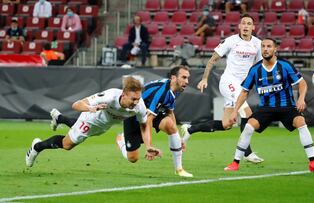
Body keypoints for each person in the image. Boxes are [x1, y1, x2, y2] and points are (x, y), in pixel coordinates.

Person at [224, 38, 314, 172]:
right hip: (266, 108)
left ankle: (313, 162)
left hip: (287, 107)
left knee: (301, 122)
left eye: (268, 46)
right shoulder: (255, 69)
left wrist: (301, 99)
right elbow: (244, 92)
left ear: (275, 49)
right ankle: (235, 163)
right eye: (263, 46)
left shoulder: (284, 65)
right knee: (249, 126)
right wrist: (234, 111)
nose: (265, 49)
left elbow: (302, 83)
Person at [181, 14, 264, 164]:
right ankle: (247, 152)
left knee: (226, 125)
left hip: (242, 86)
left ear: (253, 27)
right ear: (239, 26)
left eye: (249, 23)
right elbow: (213, 59)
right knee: (247, 113)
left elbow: (260, 66)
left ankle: (190, 129)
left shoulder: (258, 44)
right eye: (243, 23)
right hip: (228, 82)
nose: (245, 26)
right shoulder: (231, 41)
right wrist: (205, 78)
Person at [25, 77, 162, 168]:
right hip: (90, 120)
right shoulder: (109, 97)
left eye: (138, 98)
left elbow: (144, 125)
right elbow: (76, 104)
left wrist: (148, 145)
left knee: (77, 131)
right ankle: (37, 146)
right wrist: (90, 108)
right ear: (124, 94)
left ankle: (59, 118)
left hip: (103, 127)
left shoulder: (139, 106)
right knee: (67, 145)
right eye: (133, 99)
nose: (136, 102)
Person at [116, 66, 193, 177]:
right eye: (184, 77)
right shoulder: (161, 92)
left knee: (170, 125)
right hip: (134, 115)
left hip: (148, 113)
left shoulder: (173, 90)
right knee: (133, 158)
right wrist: (149, 147)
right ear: (174, 78)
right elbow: (148, 120)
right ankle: (121, 139)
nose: (187, 81)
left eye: (187, 78)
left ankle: (179, 169)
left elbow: (170, 112)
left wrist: (178, 138)